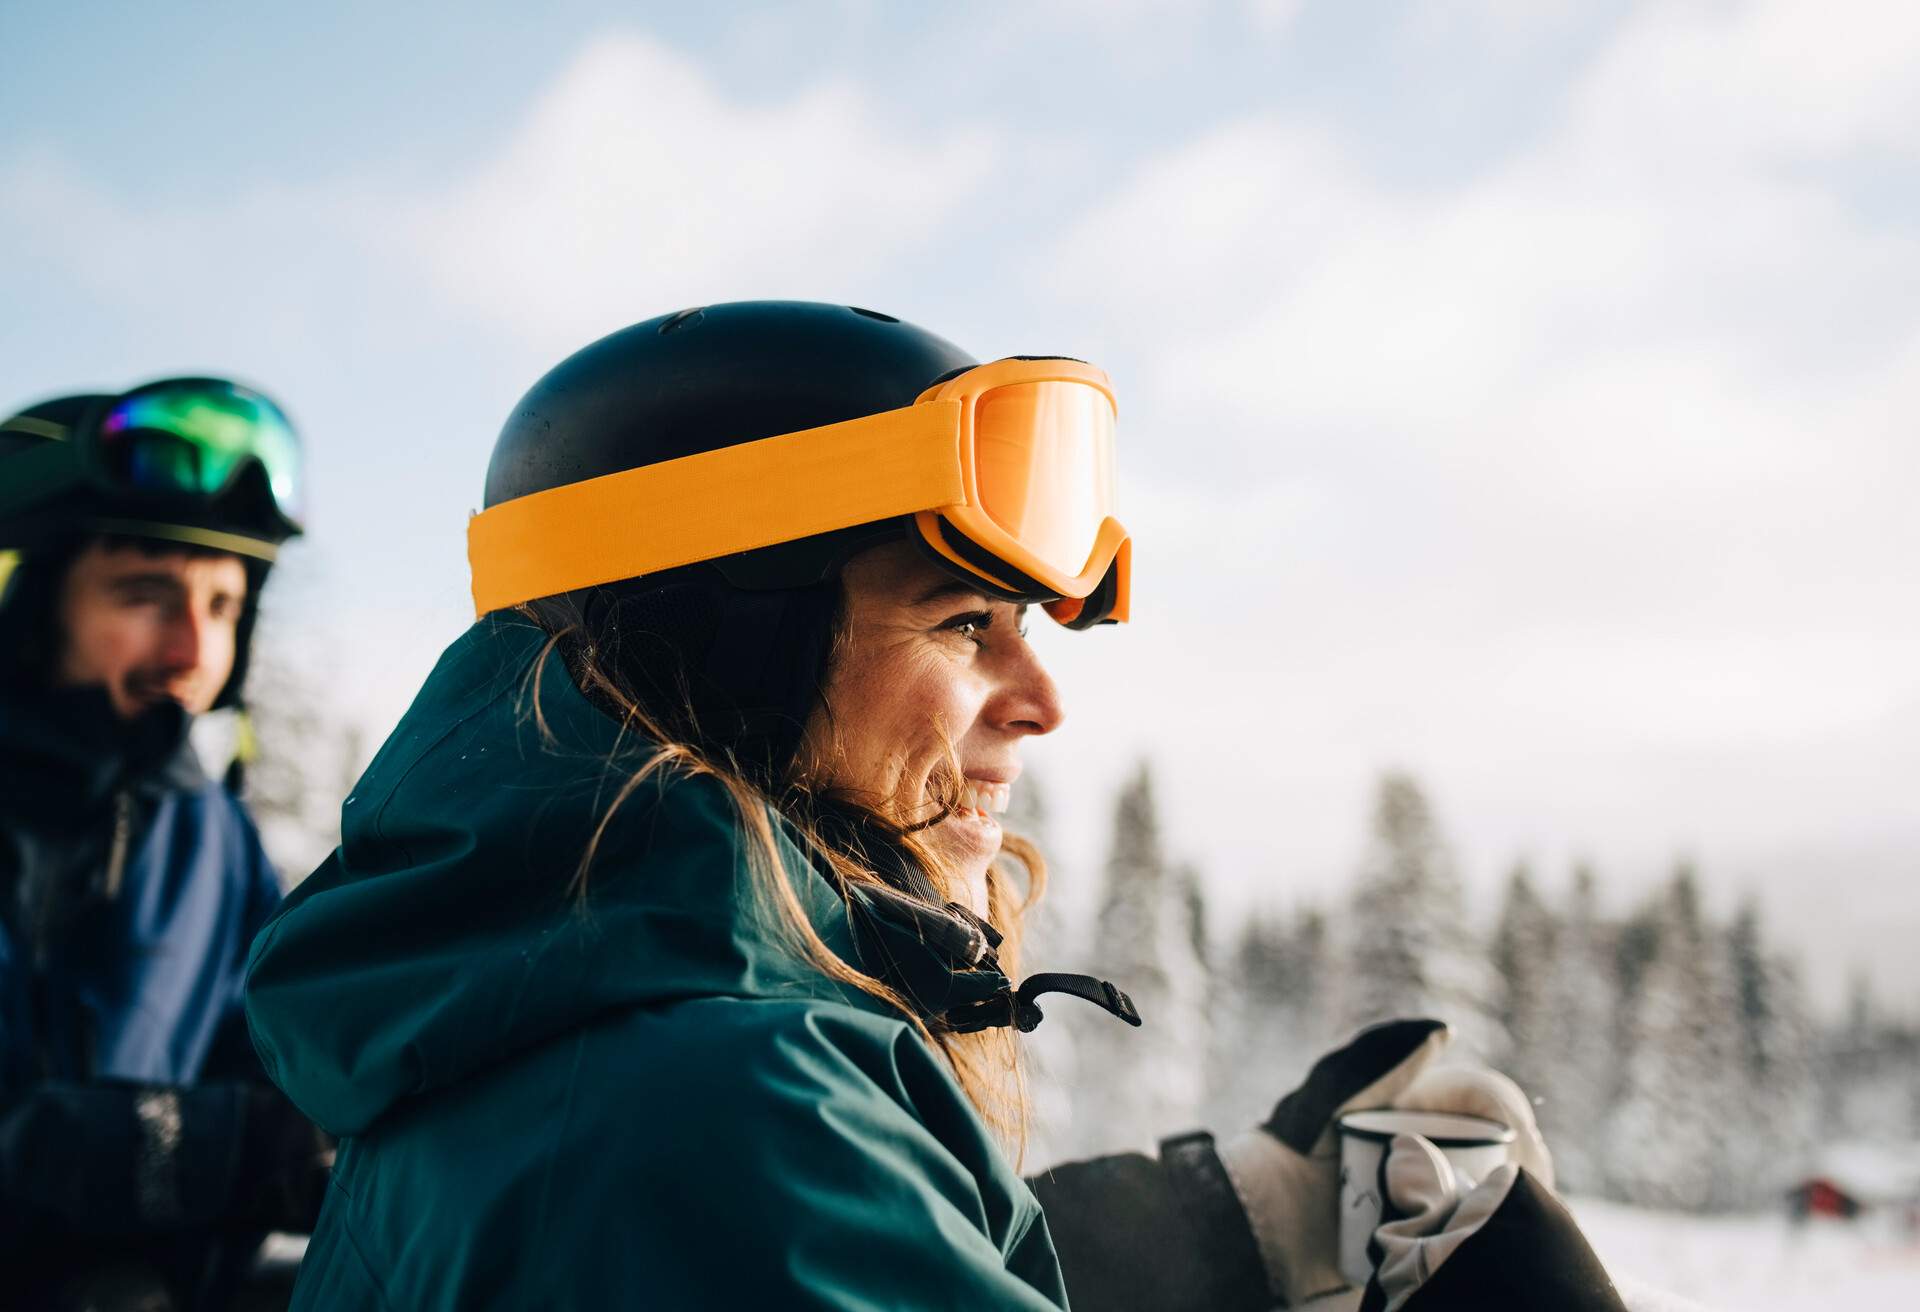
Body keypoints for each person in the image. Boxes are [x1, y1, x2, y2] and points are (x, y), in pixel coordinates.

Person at [245, 301, 1627, 1309]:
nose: (1041, 698)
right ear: (725, 661)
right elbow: (740, 1201)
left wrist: (1236, 1230)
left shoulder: (569, 1014)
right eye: (966, 621)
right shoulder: (708, 1106)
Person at [0, 380, 332, 1311]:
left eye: (224, 606)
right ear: (28, 607)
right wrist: (220, 1149)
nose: (193, 650)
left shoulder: (214, 838)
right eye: (147, 594)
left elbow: (271, 1044)